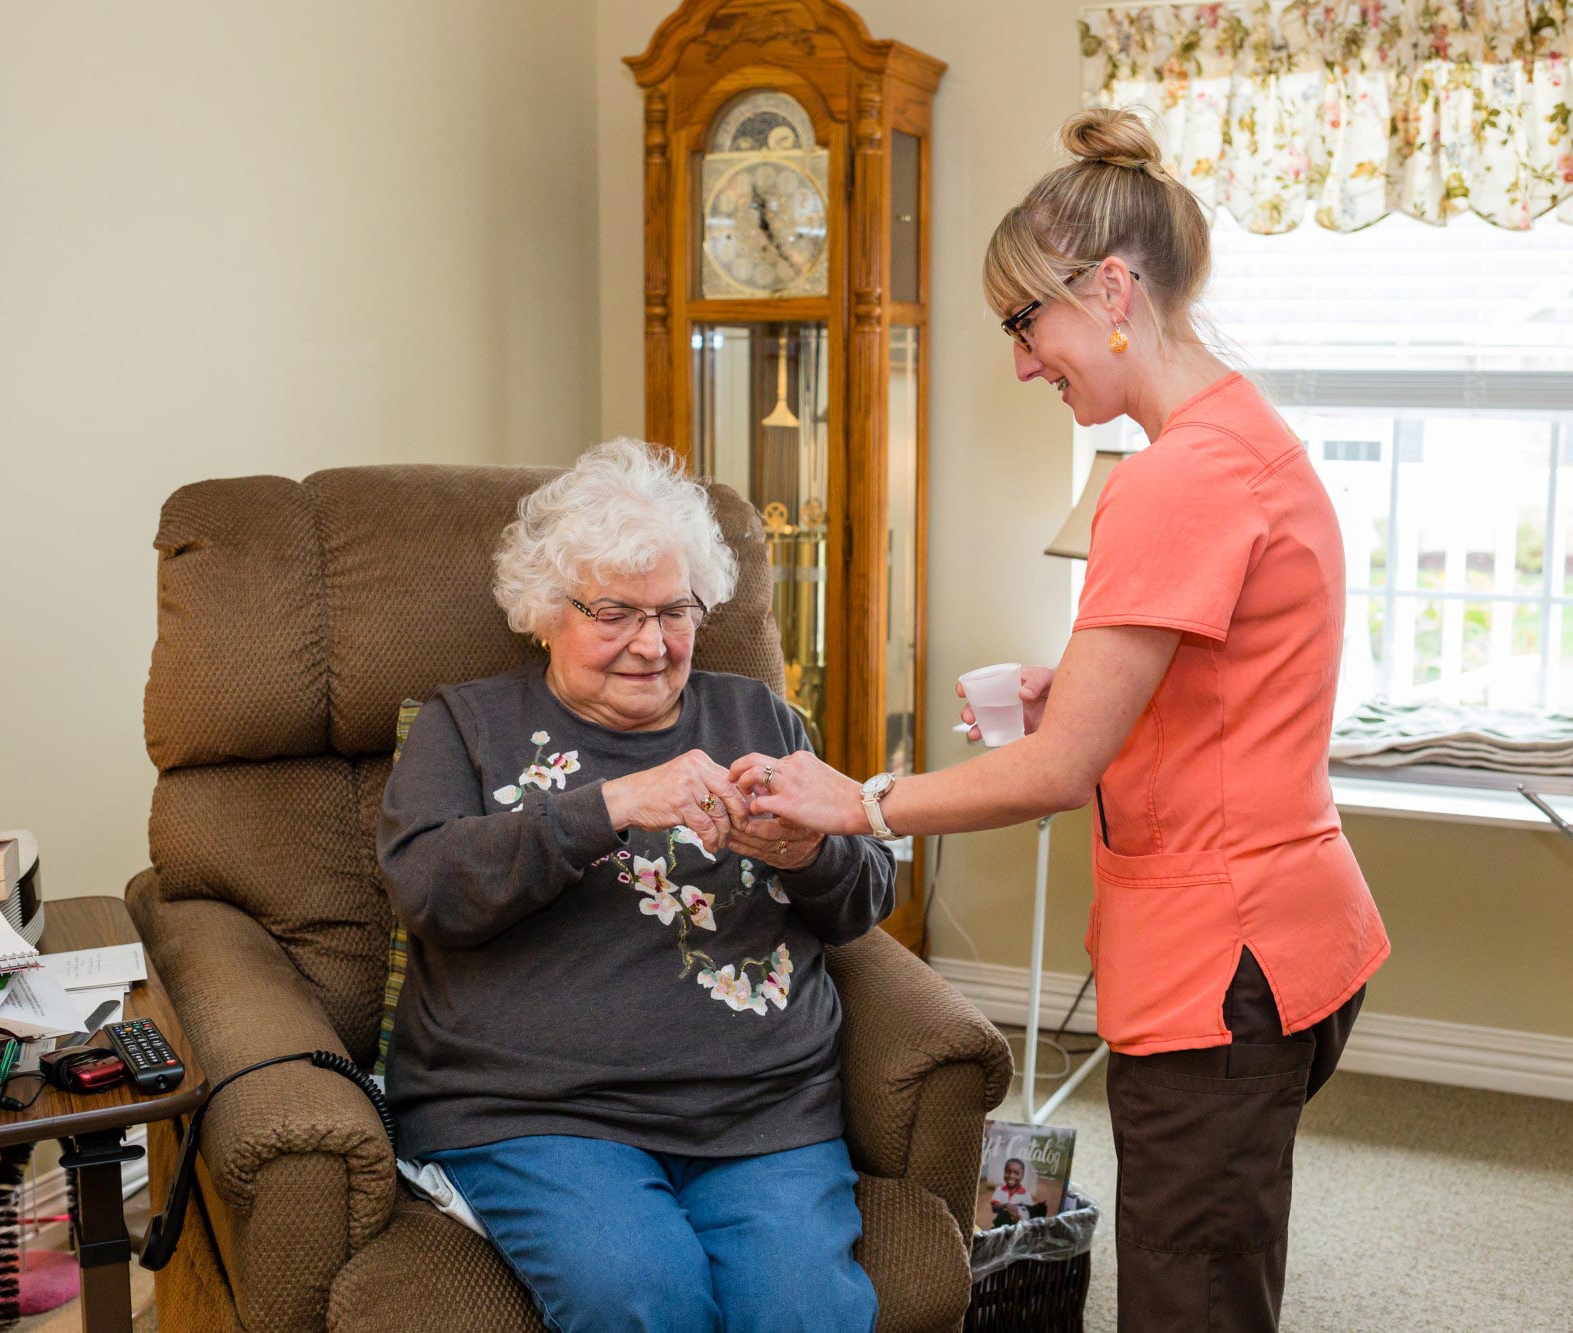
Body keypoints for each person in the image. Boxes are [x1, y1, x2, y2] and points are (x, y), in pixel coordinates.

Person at [729, 108, 1390, 1332]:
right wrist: (1075, 682)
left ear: (1111, 287)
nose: (1024, 361)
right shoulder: (1242, 438)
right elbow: (1221, 677)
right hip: (1293, 929)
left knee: (1189, 1301)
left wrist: (858, 803)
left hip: (1219, 959)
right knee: (1225, 1264)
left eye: (1025, 322)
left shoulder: (1171, 481)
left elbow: (1056, 768)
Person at [378, 439, 891, 1333]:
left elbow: (864, 900)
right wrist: (609, 803)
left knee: (807, 1314)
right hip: (538, 1111)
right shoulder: (465, 725)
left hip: (761, 1107)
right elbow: (429, 888)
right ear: (546, 612)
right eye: (615, 612)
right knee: (644, 1296)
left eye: (675, 611)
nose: (652, 645)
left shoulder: (757, 716)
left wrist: (808, 852)